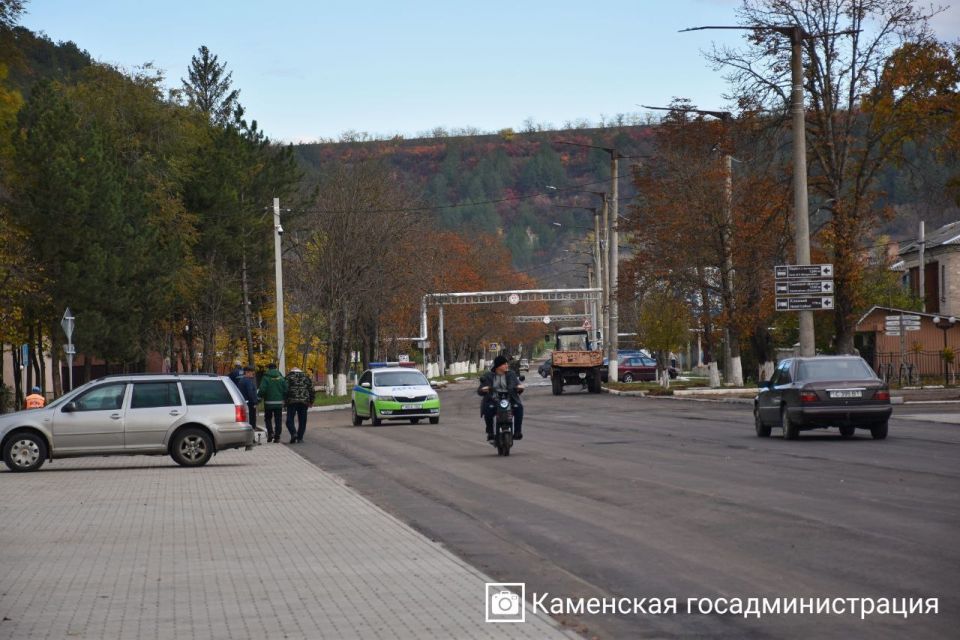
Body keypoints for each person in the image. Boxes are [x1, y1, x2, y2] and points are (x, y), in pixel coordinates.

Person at [477, 355, 525, 442]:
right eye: (504, 364)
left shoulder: (511, 374)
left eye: (507, 364)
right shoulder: (488, 376)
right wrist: (484, 389)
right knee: (488, 409)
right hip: (493, 400)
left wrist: (520, 388)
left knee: (519, 407)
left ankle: (517, 432)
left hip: (510, 400)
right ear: (498, 366)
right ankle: (490, 432)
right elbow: (480, 390)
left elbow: (517, 386)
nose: (507, 365)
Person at [258, 363, 288, 443]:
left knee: (268, 419)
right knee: (278, 419)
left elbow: (262, 389)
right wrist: (284, 398)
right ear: (276, 368)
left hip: (268, 403)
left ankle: (270, 433)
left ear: (268, 368)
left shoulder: (265, 378)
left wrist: (259, 397)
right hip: (279, 403)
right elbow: (286, 389)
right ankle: (277, 437)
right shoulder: (281, 378)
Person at [284, 367, 313, 444]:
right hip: (304, 402)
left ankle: (293, 434)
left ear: (291, 371)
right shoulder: (306, 377)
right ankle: (300, 438)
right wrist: (311, 401)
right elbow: (311, 390)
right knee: (302, 420)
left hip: (292, 401)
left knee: (289, 420)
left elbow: (284, 389)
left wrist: (284, 400)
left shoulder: (288, 377)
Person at [237, 366, 259, 432]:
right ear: (247, 372)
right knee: (252, 421)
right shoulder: (248, 381)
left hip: (245, 402)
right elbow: (250, 392)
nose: (253, 374)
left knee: (247, 420)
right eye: (252, 372)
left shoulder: (242, 380)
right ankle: (252, 437)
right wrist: (255, 402)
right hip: (250, 404)